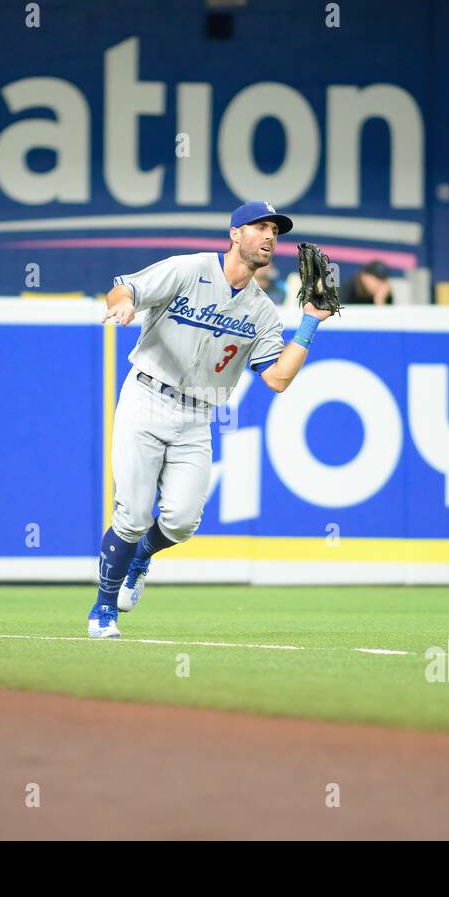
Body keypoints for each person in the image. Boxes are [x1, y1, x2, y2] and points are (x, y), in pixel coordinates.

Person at [88, 201, 333, 638]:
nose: (270, 235)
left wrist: (310, 323)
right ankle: (103, 608)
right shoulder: (189, 269)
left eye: (275, 230)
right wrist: (123, 305)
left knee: (181, 521)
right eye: (260, 227)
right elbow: (124, 289)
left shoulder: (262, 311)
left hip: (198, 415)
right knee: (133, 512)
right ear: (235, 233)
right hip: (146, 396)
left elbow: (277, 379)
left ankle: (143, 555)